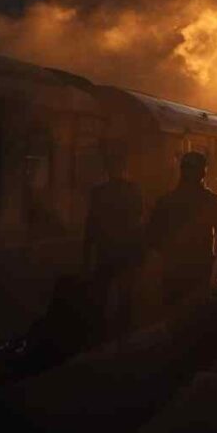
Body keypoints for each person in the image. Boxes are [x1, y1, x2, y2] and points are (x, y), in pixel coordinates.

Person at [147, 152, 217, 310]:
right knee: (198, 312)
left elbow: (152, 236)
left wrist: (166, 254)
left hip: (172, 268)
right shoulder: (211, 201)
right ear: (203, 173)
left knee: (174, 313)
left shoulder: (165, 201)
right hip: (200, 267)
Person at [82, 142, 144, 341]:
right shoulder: (133, 190)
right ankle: (124, 334)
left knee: (101, 294)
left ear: (108, 170)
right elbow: (139, 219)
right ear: (124, 168)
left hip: (105, 250)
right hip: (126, 251)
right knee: (126, 295)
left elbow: (91, 224)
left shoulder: (98, 192)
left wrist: (86, 254)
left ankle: (99, 333)